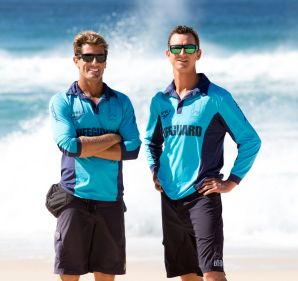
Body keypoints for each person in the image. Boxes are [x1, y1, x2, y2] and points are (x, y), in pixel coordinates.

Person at [144, 25, 261, 281]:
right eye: (177, 47)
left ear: (199, 54)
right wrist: (155, 172)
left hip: (202, 197)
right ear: (168, 54)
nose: (182, 52)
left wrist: (232, 181)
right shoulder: (160, 101)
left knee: (212, 274)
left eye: (189, 47)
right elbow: (151, 142)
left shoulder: (217, 98)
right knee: (188, 275)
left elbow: (250, 140)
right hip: (170, 199)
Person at [49, 31, 141, 281]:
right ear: (76, 60)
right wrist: (113, 137)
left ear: (106, 61)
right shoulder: (63, 101)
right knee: (69, 275)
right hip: (73, 199)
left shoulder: (121, 101)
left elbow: (132, 149)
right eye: (88, 57)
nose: (94, 63)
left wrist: (88, 144)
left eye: (100, 57)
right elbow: (69, 145)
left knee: (106, 276)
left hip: (110, 200)